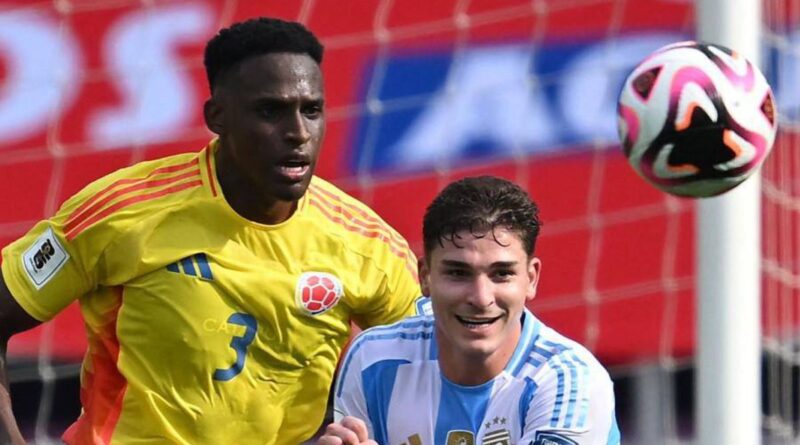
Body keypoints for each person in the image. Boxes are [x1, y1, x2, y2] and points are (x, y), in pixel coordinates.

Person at [0, 17, 423, 445]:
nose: (298, 133)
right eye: (270, 111)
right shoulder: (125, 212)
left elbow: (433, 369)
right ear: (217, 116)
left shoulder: (368, 245)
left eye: (311, 110)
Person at [320, 176, 621, 445]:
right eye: (458, 273)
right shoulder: (374, 359)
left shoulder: (569, 380)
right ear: (425, 277)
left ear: (531, 278)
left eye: (501, 274)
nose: (480, 297)